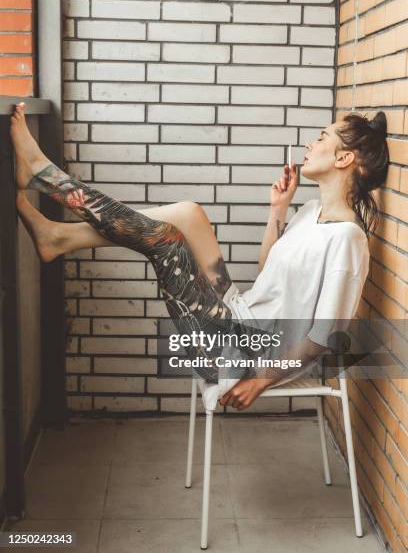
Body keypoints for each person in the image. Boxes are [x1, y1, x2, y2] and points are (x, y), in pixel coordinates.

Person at [9, 102, 389, 410]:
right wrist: (278, 209)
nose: (310, 144)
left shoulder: (347, 240)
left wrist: (260, 381)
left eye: (322, 138)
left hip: (243, 351)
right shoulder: (309, 212)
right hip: (237, 316)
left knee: (167, 240)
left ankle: (47, 181)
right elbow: (267, 270)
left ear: (344, 160)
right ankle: (58, 236)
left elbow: (324, 336)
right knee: (189, 213)